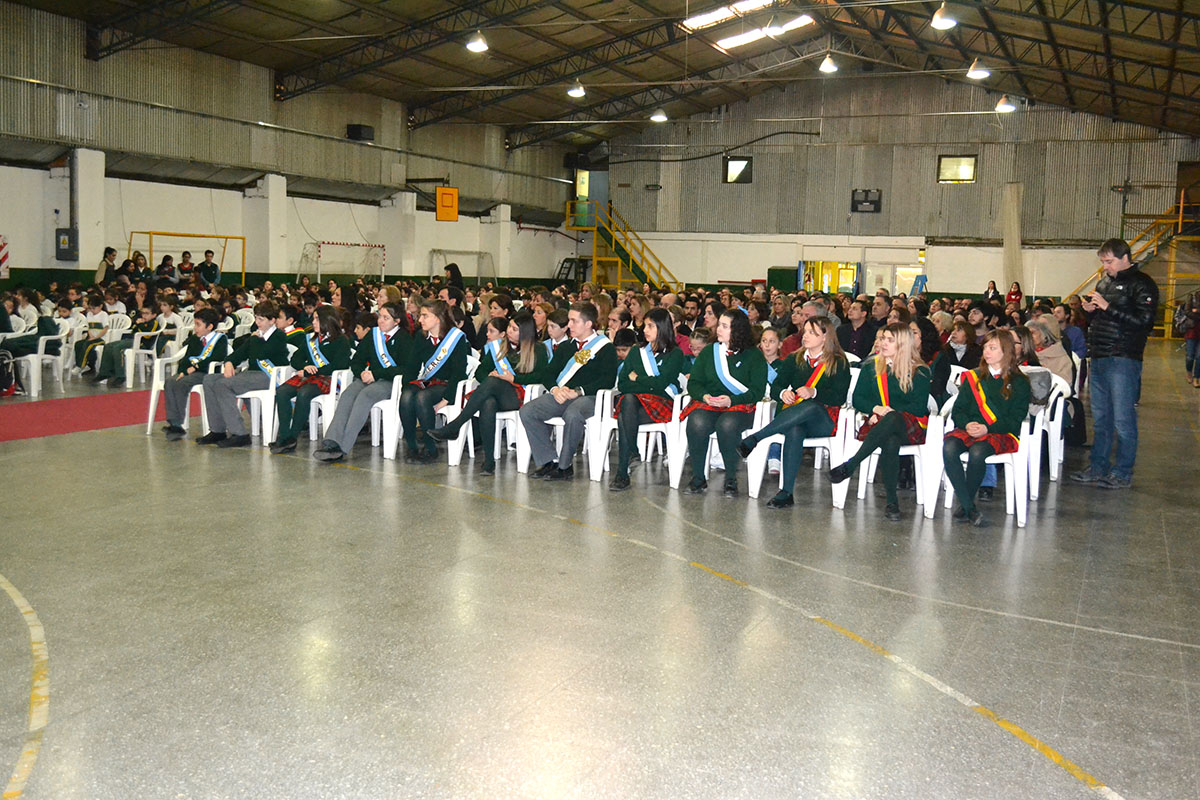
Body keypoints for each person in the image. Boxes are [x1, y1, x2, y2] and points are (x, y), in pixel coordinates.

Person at [1070, 238, 1159, 489]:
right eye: (1103, 262)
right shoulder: (1105, 282)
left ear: (1124, 258)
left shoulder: (1143, 285)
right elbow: (1105, 317)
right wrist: (1091, 311)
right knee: (1101, 418)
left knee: (1123, 419)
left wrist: (1107, 307)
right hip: (1099, 355)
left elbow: (1144, 322)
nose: (1105, 267)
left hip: (1124, 358)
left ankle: (1122, 471)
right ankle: (1098, 466)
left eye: (1109, 262)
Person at [737, 317, 851, 509]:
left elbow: (839, 397)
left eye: (812, 333)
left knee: (812, 405)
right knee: (795, 429)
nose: (805, 336)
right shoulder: (794, 358)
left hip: (824, 419)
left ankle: (756, 438)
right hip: (795, 417)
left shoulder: (838, 362)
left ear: (825, 337)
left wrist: (814, 392)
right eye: (805, 331)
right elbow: (776, 386)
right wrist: (783, 393)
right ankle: (786, 491)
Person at [828, 323, 932, 521]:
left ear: (903, 344)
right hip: (880, 426)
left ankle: (851, 465)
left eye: (890, 340)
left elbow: (919, 407)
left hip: (911, 426)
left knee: (892, 419)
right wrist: (875, 409)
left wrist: (890, 413)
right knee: (890, 441)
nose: (883, 343)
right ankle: (892, 503)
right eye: (883, 338)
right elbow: (858, 399)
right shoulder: (871, 367)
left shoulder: (920, 371)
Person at [430, 313, 548, 475]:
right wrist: (491, 376)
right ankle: (489, 461)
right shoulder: (500, 346)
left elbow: (541, 376)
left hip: (523, 394)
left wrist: (513, 378)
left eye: (514, 329)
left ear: (525, 333)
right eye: (509, 327)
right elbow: (480, 371)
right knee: (488, 402)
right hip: (496, 392)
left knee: (493, 384)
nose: (509, 332)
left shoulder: (538, 349)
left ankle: (456, 425)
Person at [519, 302, 618, 481]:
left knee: (573, 414)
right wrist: (555, 389)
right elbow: (548, 374)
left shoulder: (605, 347)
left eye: (574, 321)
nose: (569, 325)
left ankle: (565, 466)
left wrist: (579, 391)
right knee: (528, 411)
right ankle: (549, 460)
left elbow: (607, 380)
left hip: (590, 397)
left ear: (588, 324)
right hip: (563, 395)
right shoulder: (566, 347)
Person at [942, 330, 1031, 527]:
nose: (987, 352)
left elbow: (1015, 420)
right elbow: (958, 411)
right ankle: (968, 506)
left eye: (992, 348)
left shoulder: (1020, 383)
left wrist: (986, 428)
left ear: (1006, 351)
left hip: (998, 433)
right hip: (969, 430)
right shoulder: (973, 377)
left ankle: (966, 505)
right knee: (948, 447)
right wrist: (967, 424)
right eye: (985, 348)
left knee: (977, 452)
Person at [680, 310, 767, 497]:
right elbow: (694, 383)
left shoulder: (754, 356)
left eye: (724, 326)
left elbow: (757, 392)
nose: (718, 329)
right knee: (696, 420)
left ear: (738, 330)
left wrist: (731, 400)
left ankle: (730, 479)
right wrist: (704, 397)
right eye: (719, 324)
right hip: (711, 403)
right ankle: (698, 477)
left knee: (726, 424)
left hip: (741, 406)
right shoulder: (710, 352)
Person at [313, 302, 412, 462]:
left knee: (365, 396)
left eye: (386, 318)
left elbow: (406, 368)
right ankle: (331, 441)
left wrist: (376, 373)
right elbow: (357, 361)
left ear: (397, 320)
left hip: (389, 382)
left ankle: (343, 447)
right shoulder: (373, 336)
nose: (381, 321)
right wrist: (362, 373)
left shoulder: (405, 339)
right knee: (347, 394)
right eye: (380, 316)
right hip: (368, 378)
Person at [608, 308, 686, 491]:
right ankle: (630, 457)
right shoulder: (637, 351)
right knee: (627, 399)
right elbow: (624, 383)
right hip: (635, 405)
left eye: (651, 326)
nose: (645, 330)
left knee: (624, 415)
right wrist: (646, 383)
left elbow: (661, 385)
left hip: (662, 404)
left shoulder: (675, 354)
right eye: (645, 325)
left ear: (662, 327)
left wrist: (638, 378)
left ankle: (623, 472)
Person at [197, 300, 289, 448]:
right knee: (209, 380)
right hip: (251, 375)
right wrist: (229, 363)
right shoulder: (257, 336)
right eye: (256, 318)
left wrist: (254, 338)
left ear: (272, 321)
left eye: (261, 319)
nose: (257, 322)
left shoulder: (278, 336)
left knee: (222, 384)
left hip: (268, 376)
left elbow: (261, 354)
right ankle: (217, 430)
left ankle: (239, 433)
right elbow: (238, 354)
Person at [268, 306, 352, 454]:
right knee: (282, 391)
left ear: (327, 321)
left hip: (329, 379)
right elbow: (295, 359)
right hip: (310, 375)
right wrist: (305, 367)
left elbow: (339, 365)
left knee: (304, 393)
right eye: (313, 318)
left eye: (317, 319)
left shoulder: (341, 341)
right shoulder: (310, 339)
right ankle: (285, 435)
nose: (313, 322)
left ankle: (292, 437)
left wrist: (314, 370)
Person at [400, 300, 470, 463]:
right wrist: (405, 386)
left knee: (422, 398)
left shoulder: (456, 338)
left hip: (447, 385)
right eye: (420, 316)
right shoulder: (421, 336)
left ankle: (430, 448)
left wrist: (447, 399)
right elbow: (412, 365)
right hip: (429, 382)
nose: (420, 320)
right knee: (407, 396)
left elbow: (459, 372)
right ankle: (412, 446)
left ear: (438, 318)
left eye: (425, 316)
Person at [162, 309, 229, 440]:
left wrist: (193, 368)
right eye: (195, 324)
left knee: (182, 383)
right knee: (170, 381)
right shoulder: (194, 339)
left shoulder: (220, 339)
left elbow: (217, 357)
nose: (195, 328)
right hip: (190, 372)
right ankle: (174, 423)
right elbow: (186, 358)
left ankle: (177, 424)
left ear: (209, 327)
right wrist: (182, 371)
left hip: (207, 373)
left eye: (198, 325)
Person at [93, 305, 160, 387]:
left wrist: (140, 325)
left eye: (147, 313)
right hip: (132, 340)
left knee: (117, 348)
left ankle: (120, 375)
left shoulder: (154, 323)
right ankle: (105, 372)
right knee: (108, 346)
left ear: (154, 315)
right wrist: (137, 324)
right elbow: (133, 330)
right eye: (143, 313)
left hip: (142, 344)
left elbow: (147, 336)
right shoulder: (142, 322)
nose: (144, 316)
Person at [930, 321, 982, 405]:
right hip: (945, 389)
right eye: (953, 330)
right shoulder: (943, 350)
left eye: (959, 330)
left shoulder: (977, 351)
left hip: (969, 389)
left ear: (968, 334)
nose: (954, 333)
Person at [71, 295, 110, 375]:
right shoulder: (89, 314)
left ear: (100, 306)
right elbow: (89, 327)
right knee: (78, 344)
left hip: (101, 339)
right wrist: (91, 336)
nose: (92, 310)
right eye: (90, 308)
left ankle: (80, 365)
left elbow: (105, 329)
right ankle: (85, 364)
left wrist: (96, 337)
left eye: (94, 308)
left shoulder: (103, 315)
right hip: (93, 338)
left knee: (88, 344)